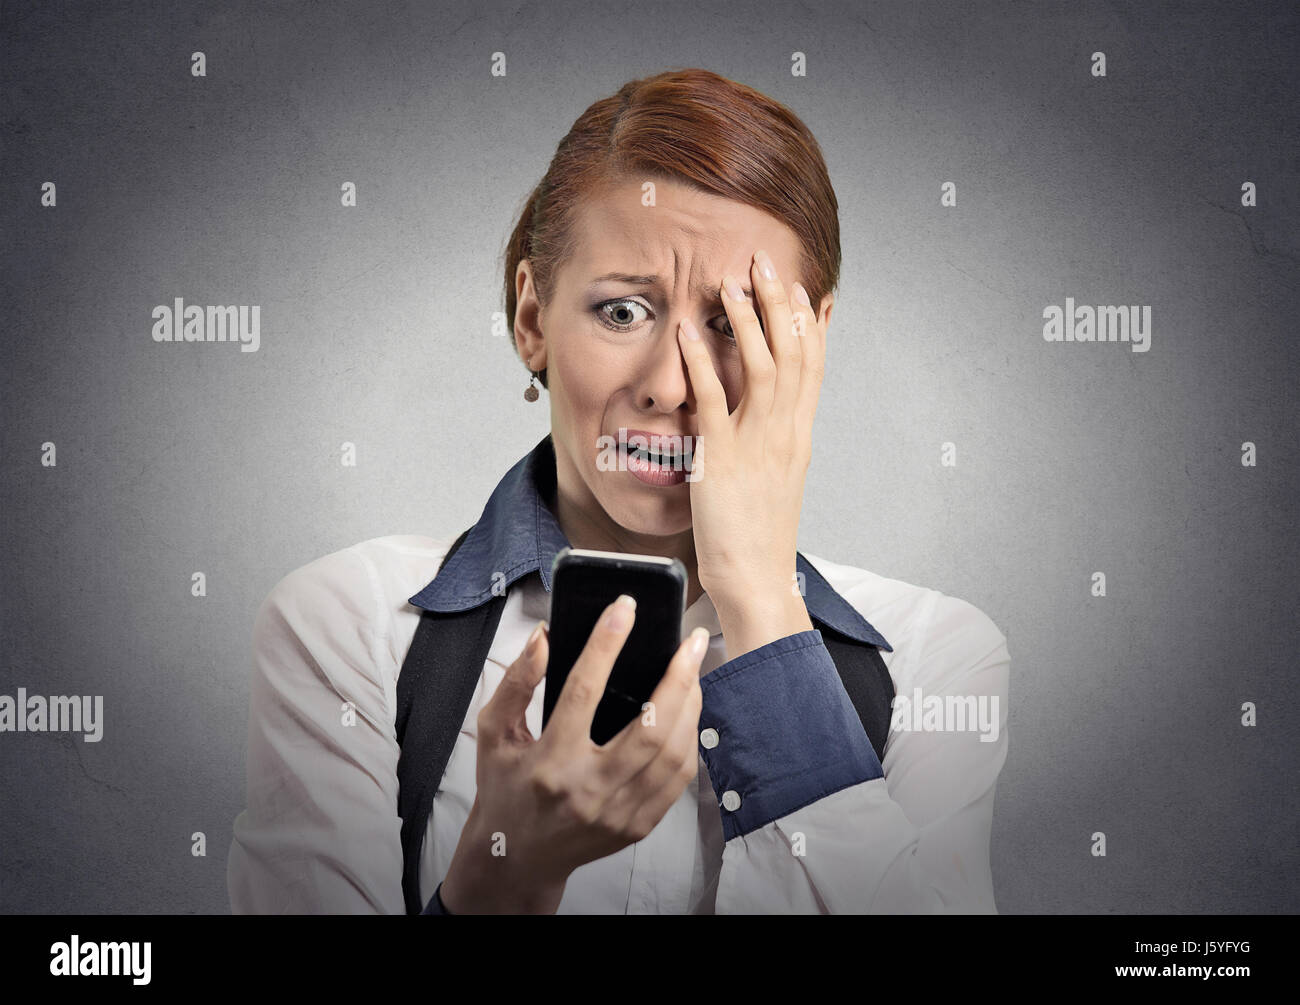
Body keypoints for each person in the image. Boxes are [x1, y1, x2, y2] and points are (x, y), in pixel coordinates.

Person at [227, 68, 1010, 914]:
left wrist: (758, 601)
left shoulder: (936, 659)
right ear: (532, 319)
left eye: (731, 320)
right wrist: (508, 874)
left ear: (812, 341)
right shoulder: (352, 626)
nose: (671, 387)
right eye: (622, 313)